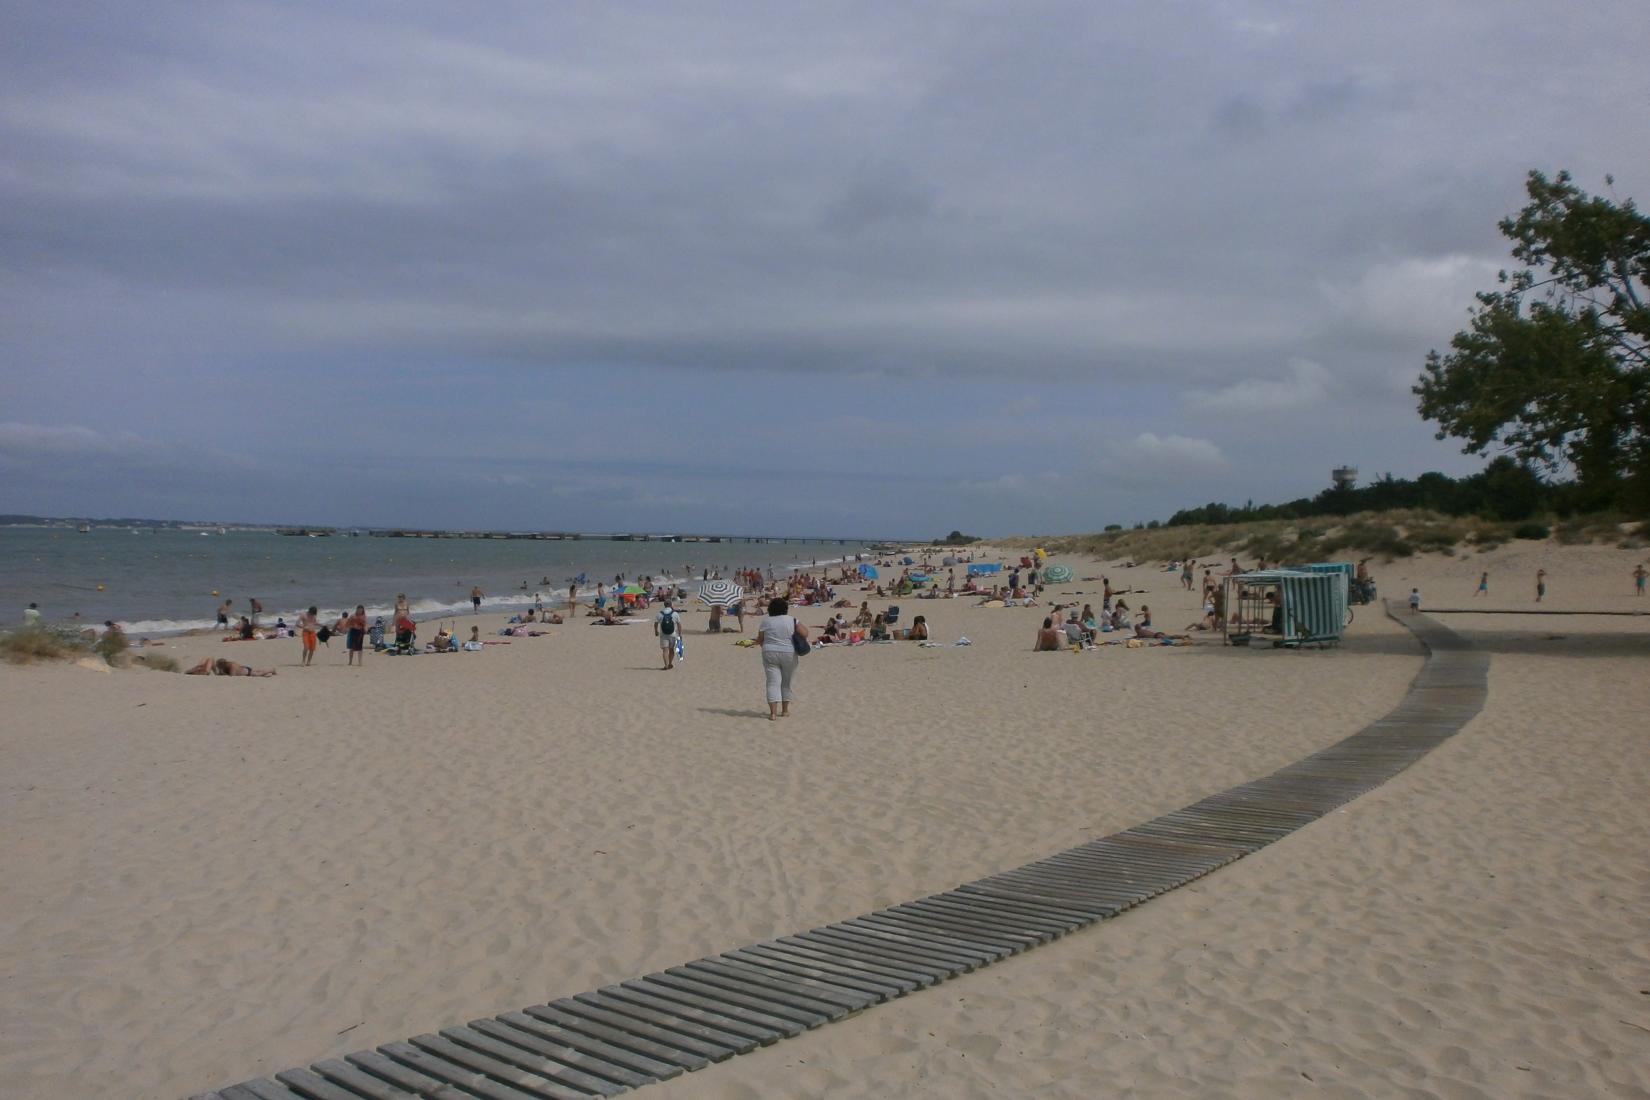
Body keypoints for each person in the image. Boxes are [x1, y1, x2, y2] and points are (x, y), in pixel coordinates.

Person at [757, 597, 806, 720]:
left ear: (770, 609)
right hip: (788, 652)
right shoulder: (792, 620)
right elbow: (805, 633)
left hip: (769, 651)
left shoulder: (765, 621)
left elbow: (760, 639)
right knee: (786, 682)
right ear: (785, 608)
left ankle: (773, 713)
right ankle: (784, 710)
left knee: (772, 682)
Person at [655, 598, 680, 669]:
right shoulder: (675, 613)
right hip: (673, 634)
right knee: (671, 649)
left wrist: (656, 631)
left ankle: (666, 665)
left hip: (663, 635)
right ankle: (670, 663)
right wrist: (680, 634)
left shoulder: (660, 613)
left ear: (664, 605)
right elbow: (679, 624)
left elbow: (656, 623)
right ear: (671, 605)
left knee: (665, 650)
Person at [186, 657, 276, 677]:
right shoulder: (227, 666)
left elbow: (232, 676)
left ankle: (272, 669)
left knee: (259, 673)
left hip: (246, 672)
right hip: (243, 668)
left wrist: (223, 673)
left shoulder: (232, 665)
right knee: (259, 671)